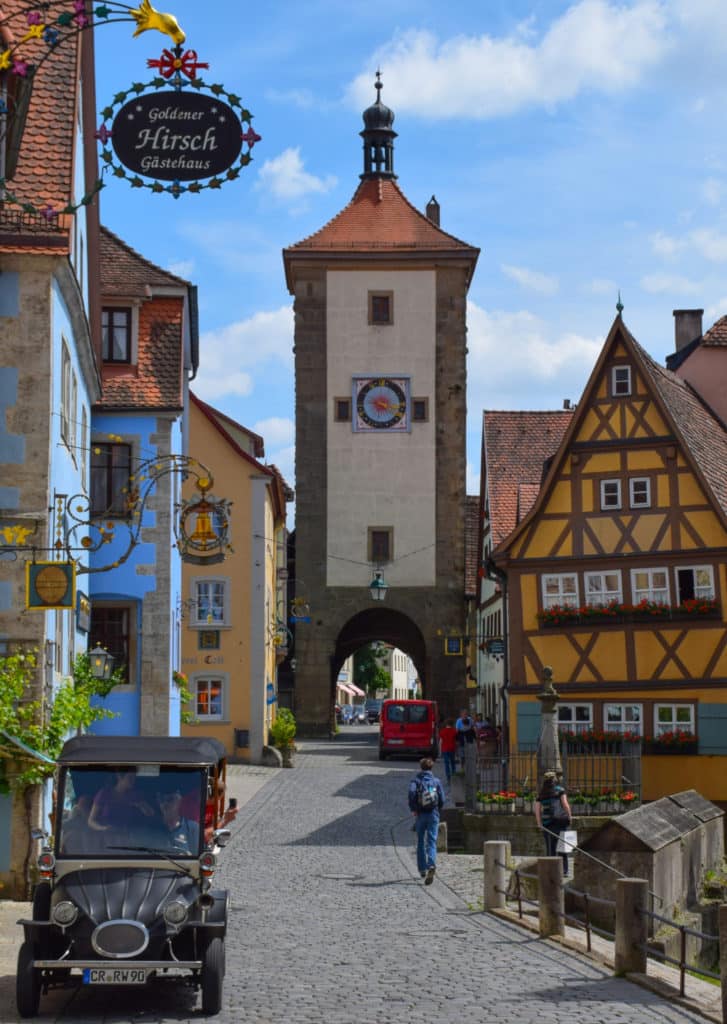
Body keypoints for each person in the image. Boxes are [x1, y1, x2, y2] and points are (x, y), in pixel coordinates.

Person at [408, 757, 445, 885]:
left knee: (420, 841)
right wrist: (438, 809)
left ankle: (422, 869)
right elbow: (442, 799)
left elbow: (411, 793)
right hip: (433, 813)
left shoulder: (416, 781)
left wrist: (414, 809)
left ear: (421, 768)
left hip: (420, 814)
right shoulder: (436, 781)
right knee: (432, 841)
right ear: (431, 768)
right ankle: (431, 864)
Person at [88, 768, 155, 832]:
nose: (133, 781)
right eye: (130, 777)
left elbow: (151, 814)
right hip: (106, 836)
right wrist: (103, 829)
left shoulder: (135, 795)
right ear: (119, 776)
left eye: (134, 778)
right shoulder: (104, 794)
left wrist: (142, 806)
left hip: (127, 836)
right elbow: (91, 821)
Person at [534, 770, 572, 875]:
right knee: (563, 847)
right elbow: (565, 804)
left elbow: (537, 810)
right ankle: (564, 871)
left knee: (550, 848)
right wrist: (569, 816)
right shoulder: (560, 790)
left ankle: (552, 871)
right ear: (554, 779)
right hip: (561, 822)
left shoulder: (541, 793)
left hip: (548, 824)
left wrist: (539, 824)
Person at [155, 785, 200, 854]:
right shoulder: (152, 828)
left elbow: (197, 857)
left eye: (170, 799)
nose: (165, 803)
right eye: (161, 799)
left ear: (178, 802)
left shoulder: (193, 828)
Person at [439, 718, 457, 786]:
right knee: (453, 763)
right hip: (452, 748)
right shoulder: (454, 731)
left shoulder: (442, 731)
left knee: (447, 764)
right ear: (452, 724)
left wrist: (440, 751)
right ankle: (454, 777)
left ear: (446, 724)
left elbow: (441, 742)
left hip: (445, 749)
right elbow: (456, 741)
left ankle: (448, 779)